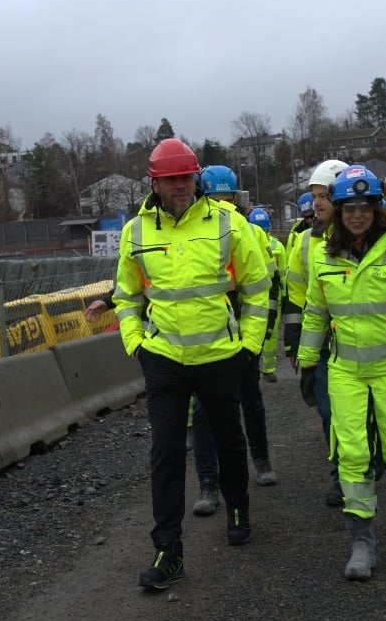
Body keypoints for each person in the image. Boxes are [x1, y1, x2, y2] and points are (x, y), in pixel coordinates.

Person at [113, 140, 270, 590]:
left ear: (196, 178)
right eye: (171, 179)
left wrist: (250, 346)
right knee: (164, 452)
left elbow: (258, 287)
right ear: (155, 182)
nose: (180, 186)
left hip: (222, 355)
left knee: (228, 438)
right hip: (163, 359)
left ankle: (238, 508)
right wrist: (136, 344)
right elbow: (126, 296)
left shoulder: (227, 225)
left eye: (186, 177)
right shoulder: (136, 232)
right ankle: (168, 551)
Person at [297, 165, 386, 581]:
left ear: (378, 209)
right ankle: (362, 539)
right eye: (349, 208)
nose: (356, 214)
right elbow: (315, 313)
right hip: (344, 371)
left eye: (365, 207)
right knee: (353, 451)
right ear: (338, 211)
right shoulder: (324, 256)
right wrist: (309, 364)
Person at [196, 165, 279, 488]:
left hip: (225, 331)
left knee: (210, 409)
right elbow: (266, 282)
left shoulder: (237, 231)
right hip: (230, 330)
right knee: (245, 401)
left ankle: (212, 480)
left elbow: (262, 281)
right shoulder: (252, 230)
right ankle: (257, 462)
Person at [283, 159, 347, 506]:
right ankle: (340, 476)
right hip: (322, 343)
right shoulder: (305, 242)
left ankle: (368, 459)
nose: (317, 203)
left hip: (362, 342)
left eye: (324, 196)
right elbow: (295, 295)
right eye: (314, 195)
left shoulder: (374, 239)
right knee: (328, 411)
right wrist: (294, 342)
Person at [248, 206, 285, 383]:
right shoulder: (245, 242)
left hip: (272, 293)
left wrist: (284, 297)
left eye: (264, 229)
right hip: (253, 293)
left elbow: (282, 273)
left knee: (271, 332)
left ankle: (268, 368)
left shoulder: (278, 246)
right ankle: (252, 368)